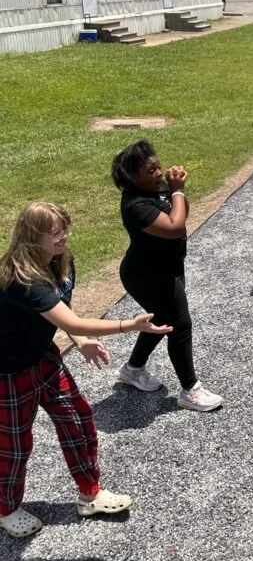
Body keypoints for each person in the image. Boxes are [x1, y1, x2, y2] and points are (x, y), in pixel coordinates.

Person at [0, 201, 172, 537]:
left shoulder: (60, 261)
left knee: (78, 420)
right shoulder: (24, 279)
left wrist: (79, 341)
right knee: (14, 445)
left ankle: (90, 495)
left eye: (65, 229)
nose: (63, 237)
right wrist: (128, 325)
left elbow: (63, 313)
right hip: (7, 372)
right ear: (32, 235)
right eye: (54, 233)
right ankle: (6, 509)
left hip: (43, 359)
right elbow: (74, 320)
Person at [112, 141, 222, 412]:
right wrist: (178, 191)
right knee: (180, 325)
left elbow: (180, 210)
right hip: (147, 274)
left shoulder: (156, 188)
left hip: (166, 267)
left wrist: (176, 192)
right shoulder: (135, 204)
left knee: (162, 319)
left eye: (158, 166)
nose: (159, 173)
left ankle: (133, 369)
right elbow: (175, 226)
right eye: (150, 171)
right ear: (132, 177)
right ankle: (190, 391)